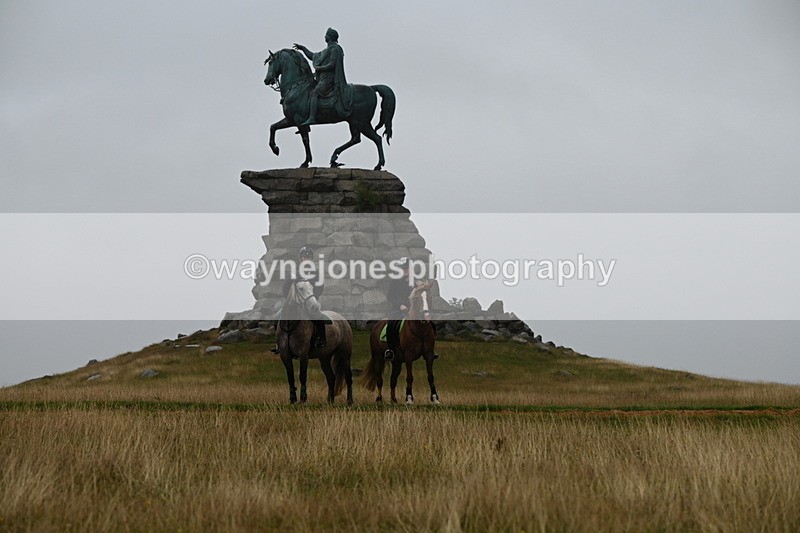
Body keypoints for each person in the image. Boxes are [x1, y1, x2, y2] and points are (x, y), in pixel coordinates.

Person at [271, 246, 326, 355]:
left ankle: (321, 339)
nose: (306, 258)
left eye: (308, 257)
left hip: (311, 300)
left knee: (318, 316)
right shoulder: (295, 272)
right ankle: (279, 344)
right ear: (300, 258)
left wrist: (312, 298)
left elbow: (320, 287)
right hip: (296, 302)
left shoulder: (316, 272)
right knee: (277, 317)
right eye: (304, 257)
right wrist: (289, 298)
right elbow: (285, 288)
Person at [293, 28, 353, 125]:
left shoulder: (336, 49)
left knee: (314, 93)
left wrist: (320, 68)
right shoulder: (326, 51)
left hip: (329, 80)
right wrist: (303, 48)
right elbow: (313, 56)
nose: (324, 36)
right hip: (322, 79)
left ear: (330, 37)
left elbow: (332, 64)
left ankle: (312, 118)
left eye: (326, 35)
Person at [384, 258, 413, 361]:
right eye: (402, 268)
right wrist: (400, 305)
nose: (404, 270)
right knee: (391, 324)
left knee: (428, 322)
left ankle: (429, 349)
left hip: (412, 309)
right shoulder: (395, 281)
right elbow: (390, 296)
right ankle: (390, 350)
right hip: (397, 309)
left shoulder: (416, 281)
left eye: (406, 268)